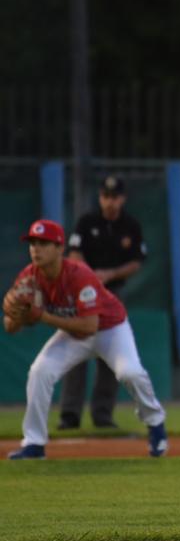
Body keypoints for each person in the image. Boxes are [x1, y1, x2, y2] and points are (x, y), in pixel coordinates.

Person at [3, 219, 167, 460]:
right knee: (40, 371)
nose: (36, 248)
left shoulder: (80, 275)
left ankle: (156, 423)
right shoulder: (29, 278)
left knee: (129, 373)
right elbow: (10, 327)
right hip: (73, 333)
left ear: (60, 248)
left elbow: (90, 326)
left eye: (44, 243)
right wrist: (17, 314)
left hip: (110, 329)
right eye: (33, 243)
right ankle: (34, 444)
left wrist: (42, 316)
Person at [58, 175, 147, 430]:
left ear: (123, 198)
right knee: (76, 349)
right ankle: (69, 414)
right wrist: (90, 277)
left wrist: (109, 274)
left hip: (114, 294)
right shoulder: (87, 222)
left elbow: (137, 261)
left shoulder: (130, 225)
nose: (110, 202)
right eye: (106, 197)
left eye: (115, 197)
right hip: (84, 293)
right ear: (100, 197)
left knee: (111, 351)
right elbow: (74, 255)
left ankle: (102, 414)